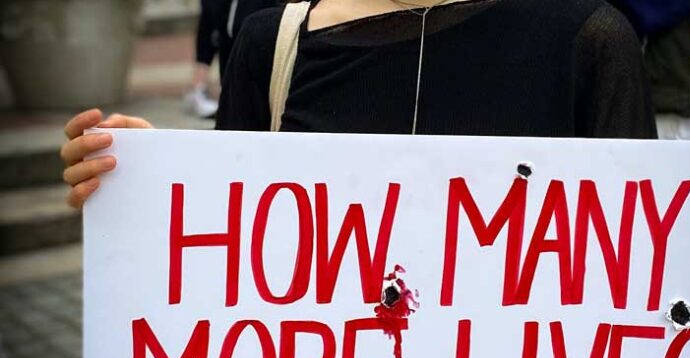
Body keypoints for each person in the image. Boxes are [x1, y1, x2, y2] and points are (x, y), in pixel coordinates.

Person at [61, 0, 656, 208]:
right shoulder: (273, 46)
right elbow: (230, 263)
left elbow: (637, 287)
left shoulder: (589, 45)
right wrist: (154, 188)